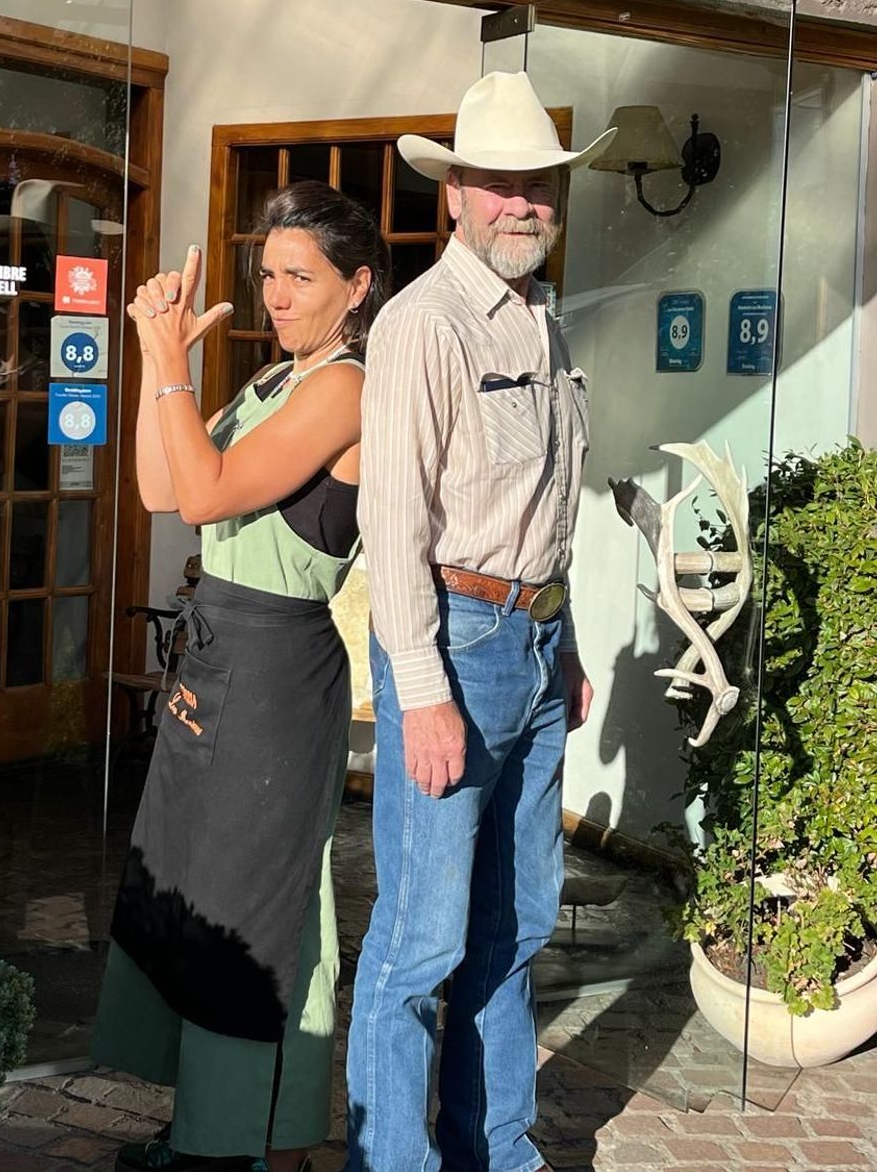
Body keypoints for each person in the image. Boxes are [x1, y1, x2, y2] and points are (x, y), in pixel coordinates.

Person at [345, 71, 617, 1172]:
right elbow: (393, 522)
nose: (522, 204)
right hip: (453, 644)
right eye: (498, 184)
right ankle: (391, 1161)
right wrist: (420, 690)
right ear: (453, 192)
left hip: (536, 645)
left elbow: (547, 506)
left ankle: (496, 1151)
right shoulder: (423, 323)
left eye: (539, 185)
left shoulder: (545, 321)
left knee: (516, 929)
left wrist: (570, 638)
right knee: (421, 939)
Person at [92, 181, 389, 1172]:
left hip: (274, 676)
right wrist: (155, 358)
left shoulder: (345, 388)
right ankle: (210, 1127)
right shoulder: (268, 382)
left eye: (301, 276)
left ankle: (251, 1142)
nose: (278, 295)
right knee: (192, 890)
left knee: (261, 906)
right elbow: (158, 486)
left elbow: (206, 490)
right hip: (215, 660)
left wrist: (174, 365)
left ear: (357, 286)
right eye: (268, 275)